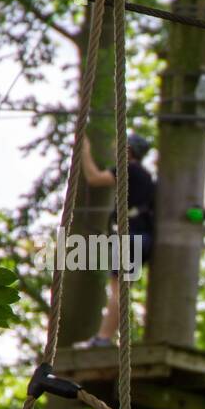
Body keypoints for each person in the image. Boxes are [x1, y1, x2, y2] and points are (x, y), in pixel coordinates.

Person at [76, 132, 155, 348]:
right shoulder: (147, 177)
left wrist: (84, 151)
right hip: (143, 237)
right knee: (122, 288)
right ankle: (107, 336)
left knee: (117, 289)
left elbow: (93, 177)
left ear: (128, 150)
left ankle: (103, 338)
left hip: (130, 237)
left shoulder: (128, 170)